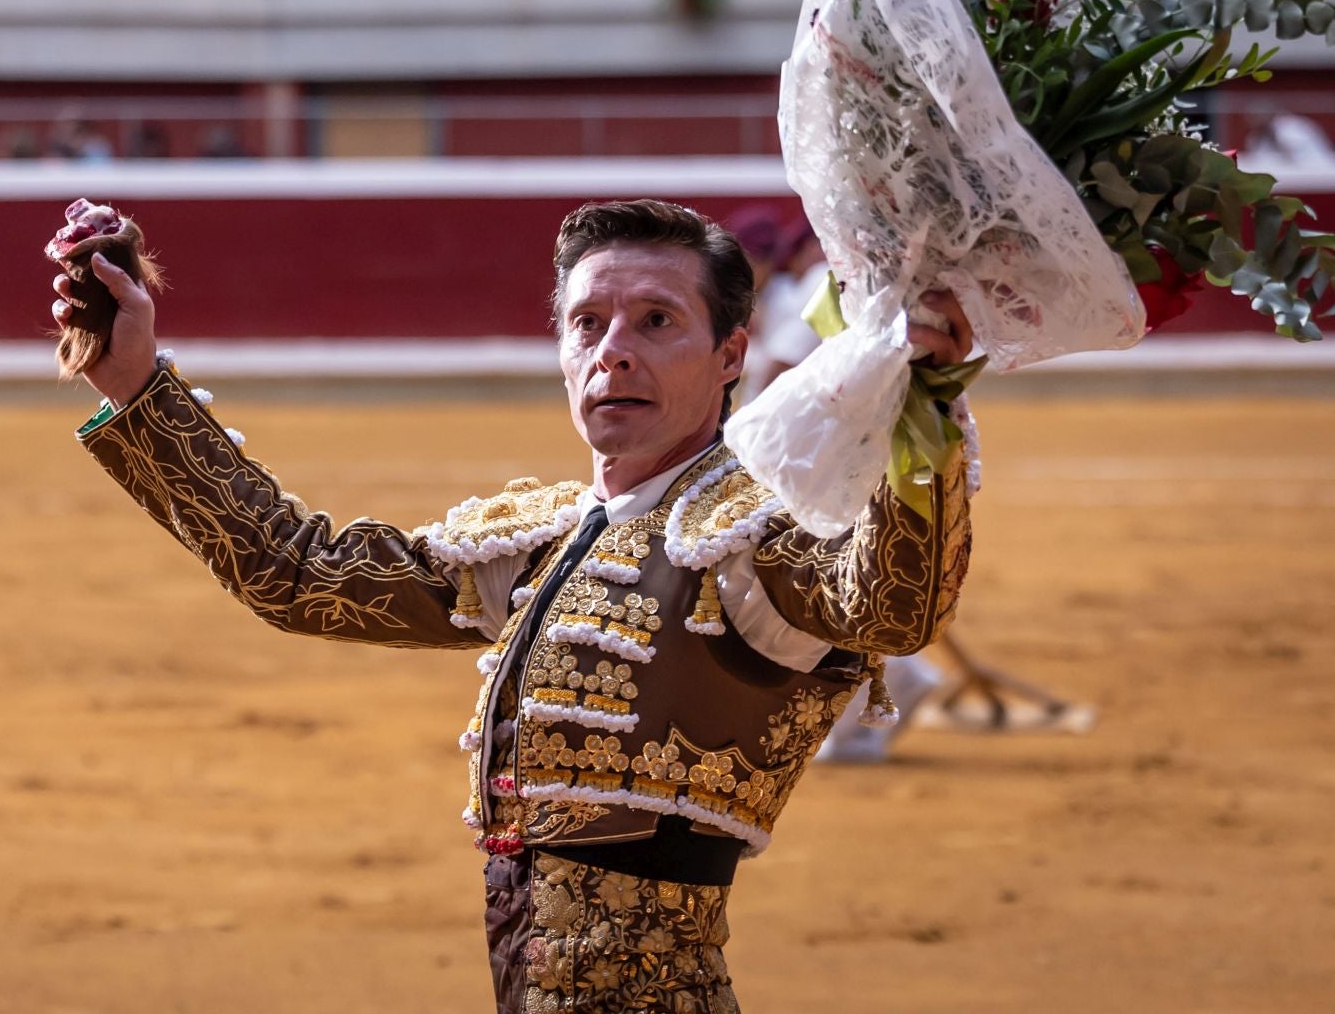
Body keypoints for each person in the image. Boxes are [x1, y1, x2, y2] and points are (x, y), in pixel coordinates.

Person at [58, 198, 975, 1012]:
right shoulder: (541, 539)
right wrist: (137, 384)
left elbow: (891, 606)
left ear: (731, 353)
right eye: (587, 323)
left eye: (656, 321)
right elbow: (300, 576)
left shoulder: (752, 538)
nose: (612, 349)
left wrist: (923, 407)